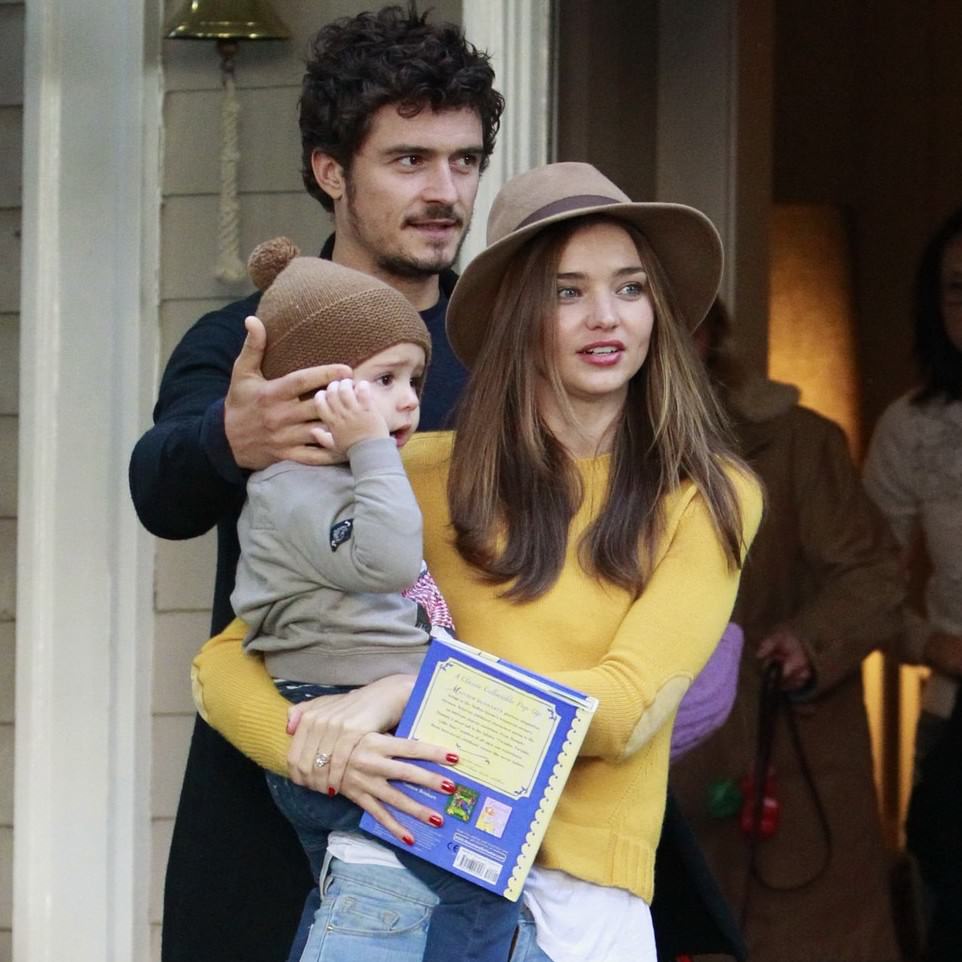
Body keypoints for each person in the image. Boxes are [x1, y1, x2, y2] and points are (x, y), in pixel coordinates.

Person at [189, 162, 764, 962]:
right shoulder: (408, 471)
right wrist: (321, 752)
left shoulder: (708, 495)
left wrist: (405, 691)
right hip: (406, 880)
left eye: (630, 288)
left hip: (582, 905)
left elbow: (623, 710)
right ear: (517, 315)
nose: (606, 316)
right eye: (567, 292)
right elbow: (227, 661)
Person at [128, 7, 504, 961]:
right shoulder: (249, 342)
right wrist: (231, 436)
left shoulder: (507, 352)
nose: (444, 190)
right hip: (264, 791)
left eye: (464, 160)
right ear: (331, 170)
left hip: (451, 789)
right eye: (409, 160)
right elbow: (159, 493)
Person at [233, 238, 522, 962]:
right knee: (477, 881)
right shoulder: (294, 489)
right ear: (311, 391)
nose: (407, 400)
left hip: (361, 713)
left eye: (413, 379)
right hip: (333, 715)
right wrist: (369, 450)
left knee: (353, 899)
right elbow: (388, 559)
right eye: (383, 379)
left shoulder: (334, 481)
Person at [671, 300, 903, 962]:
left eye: (684, 320)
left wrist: (810, 640)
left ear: (711, 334)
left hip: (786, 778)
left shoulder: (797, 442)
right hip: (652, 788)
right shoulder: (585, 445)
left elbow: (874, 576)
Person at [863, 206, 962, 962]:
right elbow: (869, 590)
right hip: (955, 721)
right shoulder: (914, 426)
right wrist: (939, 647)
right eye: (957, 286)